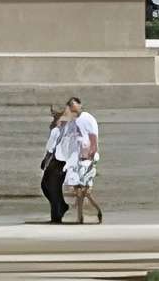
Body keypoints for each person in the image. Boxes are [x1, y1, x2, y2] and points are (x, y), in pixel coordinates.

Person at [63, 96, 102, 225]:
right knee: (79, 191)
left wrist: (91, 155)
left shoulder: (88, 119)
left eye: (74, 105)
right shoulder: (73, 121)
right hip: (78, 159)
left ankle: (97, 210)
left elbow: (93, 138)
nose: (73, 108)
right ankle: (80, 216)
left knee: (84, 191)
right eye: (70, 106)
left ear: (79, 104)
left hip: (88, 159)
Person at [40, 105, 70, 223]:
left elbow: (50, 148)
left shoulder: (57, 130)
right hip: (62, 161)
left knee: (52, 188)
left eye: (54, 117)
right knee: (48, 186)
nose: (53, 119)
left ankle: (56, 215)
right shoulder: (64, 129)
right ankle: (60, 207)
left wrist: (45, 160)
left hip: (57, 162)